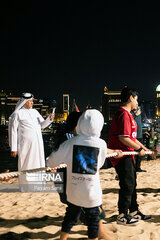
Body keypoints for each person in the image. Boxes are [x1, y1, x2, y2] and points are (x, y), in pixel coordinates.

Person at [47, 110, 123, 240]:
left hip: (73, 191)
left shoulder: (69, 143)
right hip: (92, 192)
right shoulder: (101, 144)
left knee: (70, 217)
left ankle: (62, 238)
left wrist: (52, 164)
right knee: (93, 220)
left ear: (80, 124)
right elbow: (99, 164)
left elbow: (52, 160)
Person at [108, 87, 152, 225]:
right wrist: (139, 149)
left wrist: (146, 149)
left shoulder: (129, 115)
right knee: (127, 184)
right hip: (121, 155)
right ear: (131, 98)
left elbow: (132, 138)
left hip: (129, 154)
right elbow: (123, 138)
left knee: (132, 183)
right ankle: (122, 214)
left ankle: (134, 211)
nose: (137, 103)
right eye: (136, 100)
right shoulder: (123, 114)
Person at [8, 92, 54, 191]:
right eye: (29, 101)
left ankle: (38, 185)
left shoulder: (35, 112)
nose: (32, 103)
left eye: (32, 101)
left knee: (38, 163)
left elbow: (42, 125)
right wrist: (13, 148)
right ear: (24, 102)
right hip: (25, 145)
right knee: (26, 164)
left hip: (38, 144)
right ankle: (26, 186)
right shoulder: (18, 114)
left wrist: (49, 119)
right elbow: (13, 131)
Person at [131, 107, 146, 172]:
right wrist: (135, 115)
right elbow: (130, 121)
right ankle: (132, 168)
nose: (137, 108)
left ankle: (138, 167)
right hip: (133, 136)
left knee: (140, 154)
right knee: (133, 154)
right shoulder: (130, 113)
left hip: (140, 135)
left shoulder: (139, 114)